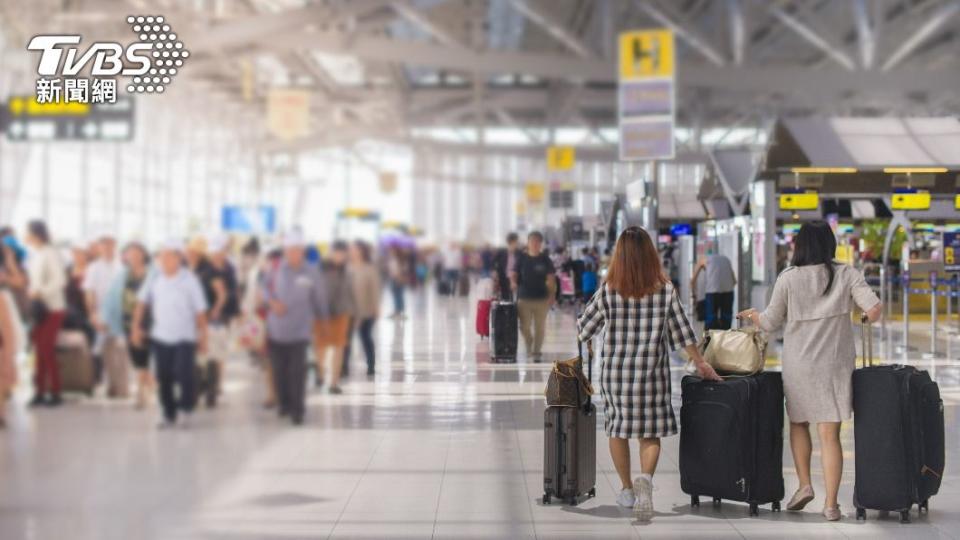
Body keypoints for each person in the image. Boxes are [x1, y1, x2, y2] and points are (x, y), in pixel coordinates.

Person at [738, 221, 881, 522]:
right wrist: (864, 318)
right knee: (830, 436)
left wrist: (753, 316)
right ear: (830, 245)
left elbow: (770, 322)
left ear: (799, 246)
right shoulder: (846, 273)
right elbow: (874, 308)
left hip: (800, 363)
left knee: (799, 423)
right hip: (835, 364)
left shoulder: (788, 278)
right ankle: (831, 505)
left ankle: (804, 485)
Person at [577, 226, 721, 521]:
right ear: (650, 254)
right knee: (649, 433)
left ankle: (627, 489)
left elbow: (583, 328)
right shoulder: (664, 289)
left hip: (616, 374)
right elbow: (683, 335)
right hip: (651, 375)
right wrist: (702, 364)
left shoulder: (609, 290)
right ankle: (645, 480)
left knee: (618, 430)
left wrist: (592, 338)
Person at [131, 239, 208, 429]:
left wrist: (204, 336)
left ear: (178, 258)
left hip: (185, 336)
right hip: (160, 336)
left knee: (184, 374)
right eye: (162, 256)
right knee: (163, 376)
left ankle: (186, 410)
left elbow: (200, 312)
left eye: (169, 256)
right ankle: (168, 413)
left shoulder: (190, 280)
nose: (164, 260)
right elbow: (141, 304)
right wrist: (135, 328)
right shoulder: (155, 279)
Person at [262, 231, 328, 424]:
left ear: (303, 251)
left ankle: (297, 410)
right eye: (290, 251)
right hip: (277, 329)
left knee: (298, 371)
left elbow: (320, 298)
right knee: (279, 370)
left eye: (297, 251)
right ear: (285, 252)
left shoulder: (312, 271)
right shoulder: (275, 269)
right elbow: (265, 288)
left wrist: (323, 321)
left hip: (300, 330)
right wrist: (272, 303)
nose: (293, 255)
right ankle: (284, 403)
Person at [102, 242, 154, 409]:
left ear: (144, 254)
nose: (133, 256)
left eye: (137, 252)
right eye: (130, 253)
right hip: (127, 321)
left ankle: (143, 391)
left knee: (147, 354)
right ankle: (144, 389)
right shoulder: (122, 275)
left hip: (150, 320)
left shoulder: (153, 273)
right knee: (137, 356)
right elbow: (111, 297)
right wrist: (105, 318)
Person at [25, 220, 68, 407]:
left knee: (46, 349)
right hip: (40, 309)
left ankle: (56, 392)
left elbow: (60, 280)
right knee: (39, 350)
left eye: (27, 232)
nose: (25, 236)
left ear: (36, 234)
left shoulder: (50, 253)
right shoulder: (37, 253)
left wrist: (40, 291)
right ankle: (40, 391)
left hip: (53, 308)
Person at [196, 235, 240, 408]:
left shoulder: (227, 269)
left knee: (215, 353)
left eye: (220, 251)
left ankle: (213, 388)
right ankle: (210, 387)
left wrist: (218, 311)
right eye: (214, 251)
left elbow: (226, 294)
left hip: (219, 317)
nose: (217, 254)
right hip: (210, 316)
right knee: (210, 353)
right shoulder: (208, 269)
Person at [84, 233, 125, 398]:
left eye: (111, 244)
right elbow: (89, 292)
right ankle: (111, 384)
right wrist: (93, 313)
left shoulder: (122, 267)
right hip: (102, 313)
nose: (108, 248)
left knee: (121, 351)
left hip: (120, 315)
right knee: (105, 351)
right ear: (99, 247)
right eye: (105, 244)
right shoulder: (93, 268)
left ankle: (121, 386)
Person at [314, 241, 353, 394]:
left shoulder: (347, 271)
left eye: (343, 254)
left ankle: (334, 383)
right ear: (331, 252)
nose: (340, 256)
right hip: (321, 314)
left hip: (341, 313)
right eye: (337, 252)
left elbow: (350, 292)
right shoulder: (320, 268)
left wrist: (353, 311)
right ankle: (320, 373)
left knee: (339, 347)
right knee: (321, 347)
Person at [512, 231, 555, 362]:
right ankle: (529, 343)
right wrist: (513, 282)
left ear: (540, 244)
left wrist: (552, 295)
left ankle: (536, 351)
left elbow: (551, 278)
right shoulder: (522, 258)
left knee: (539, 327)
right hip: (524, 298)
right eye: (532, 241)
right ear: (528, 243)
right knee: (524, 327)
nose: (534, 244)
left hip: (542, 298)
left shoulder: (545, 259)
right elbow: (514, 273)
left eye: (537, 241)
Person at [345, 241, 380, 377]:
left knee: (365, 337)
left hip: (366, 309)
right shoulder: (346, 268)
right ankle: (343, 366)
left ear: (362, 251)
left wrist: (376, 307)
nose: (352, 252)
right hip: (348, 309)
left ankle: (371, 364)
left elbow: (375, 289)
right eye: (351, 249)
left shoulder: (369, 268)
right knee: (346, 339)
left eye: (355, 249)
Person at [691, 251, 736, 330]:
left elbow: (693, 280)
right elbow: (735, 281)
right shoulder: (726, 259)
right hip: (728, 291)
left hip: (712, 292)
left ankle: (710, 339)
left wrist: (693, 294)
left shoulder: (702, 260)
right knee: (726, 319)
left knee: (710, 319)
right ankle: (725, 338)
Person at [493, 232, 519, 301]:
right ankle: (506, 310)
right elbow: (494, 262)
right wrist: (495, 271)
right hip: (503, 277)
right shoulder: (501, 252)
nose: (517, 243)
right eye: (516, 241)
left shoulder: (519, 252)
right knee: (505, 297)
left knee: (515, 297)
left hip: (515, 278)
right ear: (511, 242)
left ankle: (513, 309)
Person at [386, 247, 406, 319]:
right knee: (398, 296)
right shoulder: (397, 260)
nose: (390, 251)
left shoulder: (395, 260)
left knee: (397, 296)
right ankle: (399, 312)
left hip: (396, 279)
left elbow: (396, 270)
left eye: (392, 250)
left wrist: (397, 277)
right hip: (396, 279)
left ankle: (398, 312)